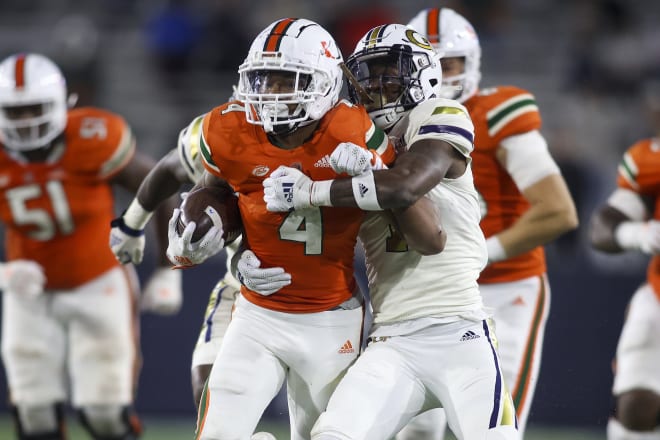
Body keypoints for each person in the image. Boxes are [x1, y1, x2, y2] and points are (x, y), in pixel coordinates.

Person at [164, 18, 419, 440]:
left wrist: (370, 172)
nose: (272, 95)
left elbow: (400, 201)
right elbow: (217, 194)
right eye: (263, 81)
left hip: (330, 319)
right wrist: (217, 242)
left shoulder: (351, 129)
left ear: (324, 83)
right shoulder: (229, 129)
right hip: (257, 313)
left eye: (288, 81)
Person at [262, 24, 518, 440]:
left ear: (423, 72)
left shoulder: (439, 113)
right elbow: (282, 207)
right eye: (368, 74)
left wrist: (314, 191)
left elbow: (405, 188)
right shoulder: (352, 135)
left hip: (460, 331)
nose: (378, 84)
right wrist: (244, 255)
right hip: (392, 338)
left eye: (390, 71)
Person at [393, 8, 580, 439]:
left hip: (504, 286)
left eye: (450, 62)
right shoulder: (396, 122)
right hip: (429, 292)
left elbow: (558, 211)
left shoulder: (497, 111)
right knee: (415, 430)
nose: (440, 74)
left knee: (491, 429)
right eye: (428, 64)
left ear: (472, 61)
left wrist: (480, 254)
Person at [0, 53, 177, 440]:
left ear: (63, 104)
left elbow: (161, 189)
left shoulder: (94, 137)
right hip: (27, 290)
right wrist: (4, 273)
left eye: (35, 109)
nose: (27, 122)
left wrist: (168, 269)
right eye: (16, 112)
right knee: (33, 413)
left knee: (104, 414)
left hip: (99, 280)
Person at [589, 80, 660, 440]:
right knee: (636, 405)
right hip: (659, 298)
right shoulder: (649, 159)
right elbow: (602, 229)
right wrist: (643, 235)